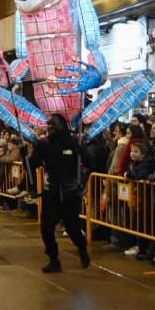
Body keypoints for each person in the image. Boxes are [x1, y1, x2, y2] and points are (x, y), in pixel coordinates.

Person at [30, 114, 90, 273]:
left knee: (72, 228)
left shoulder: (72, 142)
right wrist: (27, 155)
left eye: (53, 126)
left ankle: (82, 248)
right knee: (46, 228)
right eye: (48, 126)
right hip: (52, 192)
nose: (50, 128)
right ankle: (53, 259)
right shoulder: (43, 144)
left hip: (69, 192)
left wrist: (81, 148)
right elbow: (33, 164)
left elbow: (90, 160)